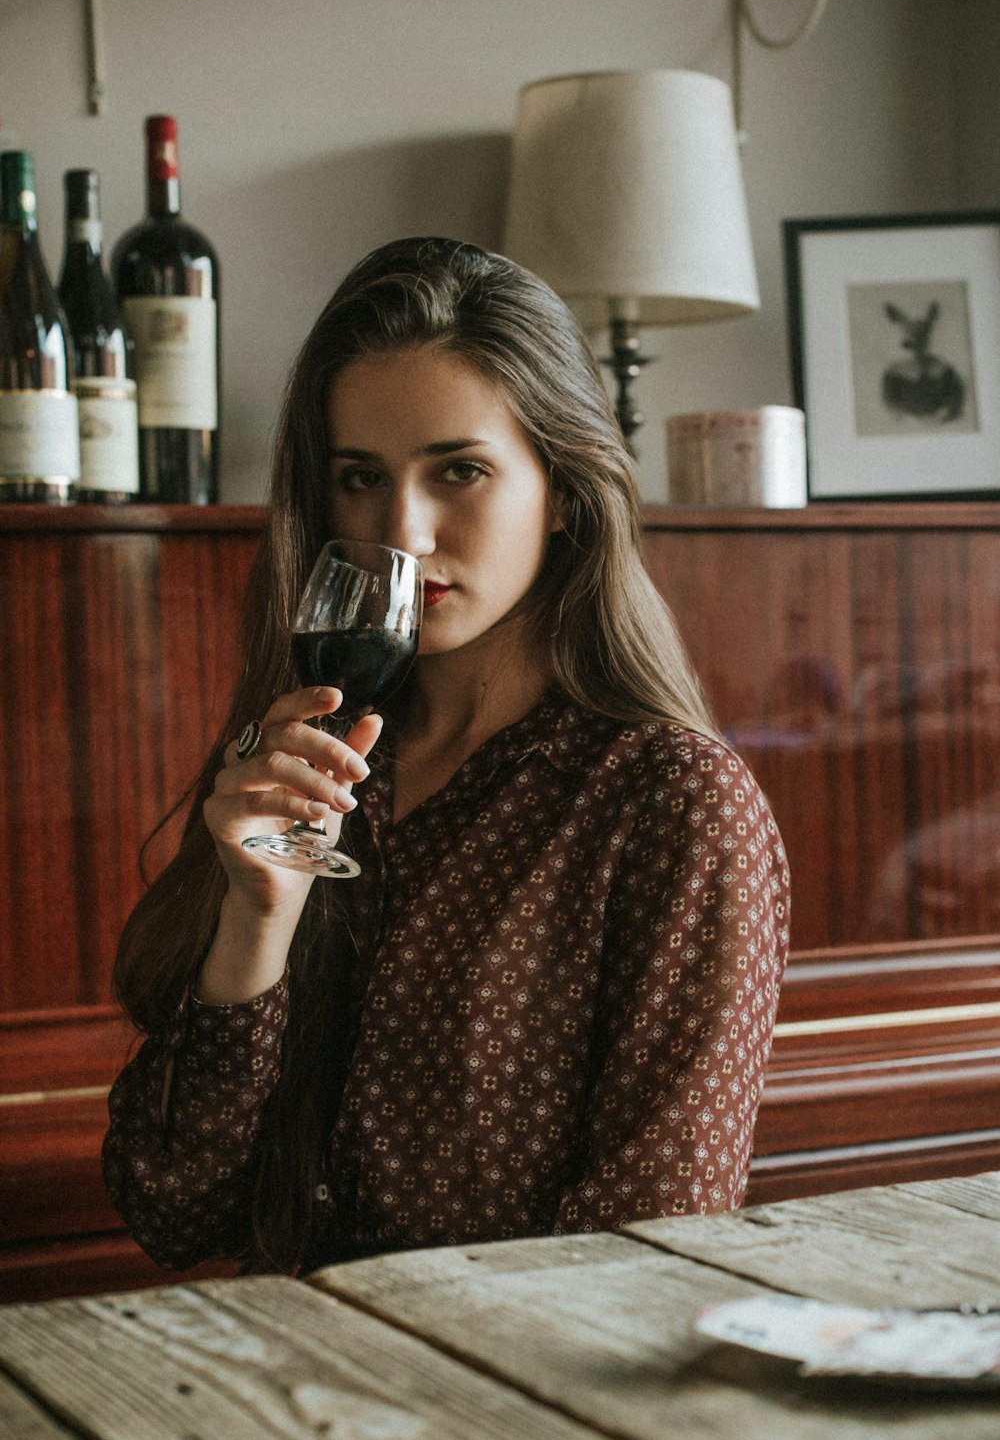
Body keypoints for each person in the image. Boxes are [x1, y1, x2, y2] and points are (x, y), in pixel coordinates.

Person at [102, 237, 790, 1276]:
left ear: (563, 488)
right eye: (359, 479)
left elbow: (647, 1257)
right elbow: (175, 1212)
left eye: (458, 471)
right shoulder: (302, 767)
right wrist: (256, 923)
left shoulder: (671, 804)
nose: (404, 532)